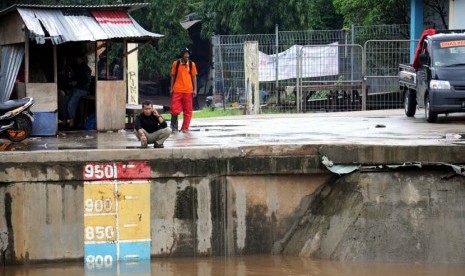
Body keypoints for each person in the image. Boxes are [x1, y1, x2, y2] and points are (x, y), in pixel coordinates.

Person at [170, 48, 197, 133]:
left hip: (188, 91)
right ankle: (173, 127)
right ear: (182, 55)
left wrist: (195, 89)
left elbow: (194, 77)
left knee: (188, 111)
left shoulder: (192, 64)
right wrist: (171, 88)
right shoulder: (176, 63)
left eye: (188, 54)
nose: (187, 56)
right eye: (185, 54)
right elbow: (173, 76)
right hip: (177, 90)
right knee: (174, 109)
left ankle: (185, 128)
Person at [66, 55, 91, 128]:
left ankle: (72, 120)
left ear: (82, 59)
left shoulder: (86, 69)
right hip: (76, 89)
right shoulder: (78, 67)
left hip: (82, 90)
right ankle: (66, 120)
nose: (76, 59)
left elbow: (86, 80)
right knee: (66, 101)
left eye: (77, 58)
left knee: (71, 104)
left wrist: (76, 82)